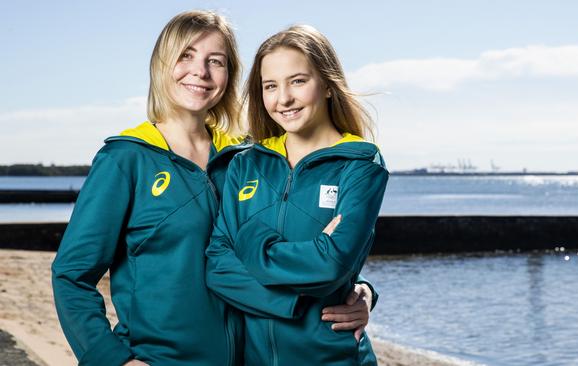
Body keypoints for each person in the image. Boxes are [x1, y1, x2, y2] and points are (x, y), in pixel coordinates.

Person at [51, 11, 375, 366]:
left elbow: (308, 240)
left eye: (215, 61)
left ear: (230, 74)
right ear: (162, 65)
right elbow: (71, 276)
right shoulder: (125, 159)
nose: (200, 72)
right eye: (185, 55)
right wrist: (114, 360)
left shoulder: (249, 158)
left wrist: (360, 292)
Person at [205, 25, 389, 365]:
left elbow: (330, 264)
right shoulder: (246, 164)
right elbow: (217, 267)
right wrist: (296, 305)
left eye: (298, 81)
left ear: (328, 85)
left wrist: (249, 243)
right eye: (270, 86)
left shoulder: (360, 163)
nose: (283, 98)